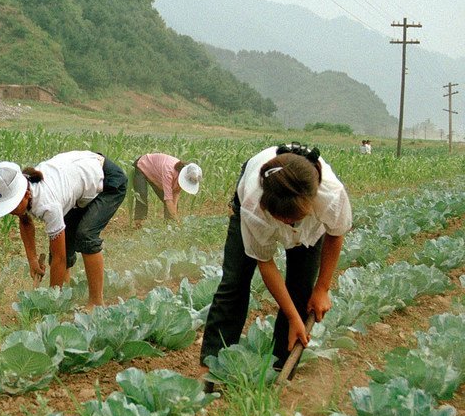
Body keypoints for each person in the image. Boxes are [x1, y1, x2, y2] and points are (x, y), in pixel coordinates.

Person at [199, 143, 352, 385]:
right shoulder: (253, 204)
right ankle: (214, 366)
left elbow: (336, 233)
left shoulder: (331, 196)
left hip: (307, 216)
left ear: (311, 204)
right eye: (282, 219)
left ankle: (282, 368)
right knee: (235, 283)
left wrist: (322, 288)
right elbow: (265, 261)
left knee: (302, 289)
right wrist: (293, 317)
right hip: (255, 201)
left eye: (294, 219)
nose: (289, 225)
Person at [0, 150, 128, 308]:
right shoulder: (26, 192)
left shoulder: (48, 204)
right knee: (65, 241)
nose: (11, 212)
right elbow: (25, 220)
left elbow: (60, 258)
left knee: (85, 234)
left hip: (108, 180)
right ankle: (66, 296)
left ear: (25, 194)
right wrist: (32, 260)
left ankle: (96, 303)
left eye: (11, 206)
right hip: (79, 181)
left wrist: (51, 303)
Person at [132, 153, 202, 224]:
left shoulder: (183, 175)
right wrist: (177, 220)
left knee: (172, 205)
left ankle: (168, 225)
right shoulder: (169, 171)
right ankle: (139, 223)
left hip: (156, 173)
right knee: (142, 194)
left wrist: (174, 213)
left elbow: (175, 194)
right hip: (143, 164)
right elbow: (168, 200)